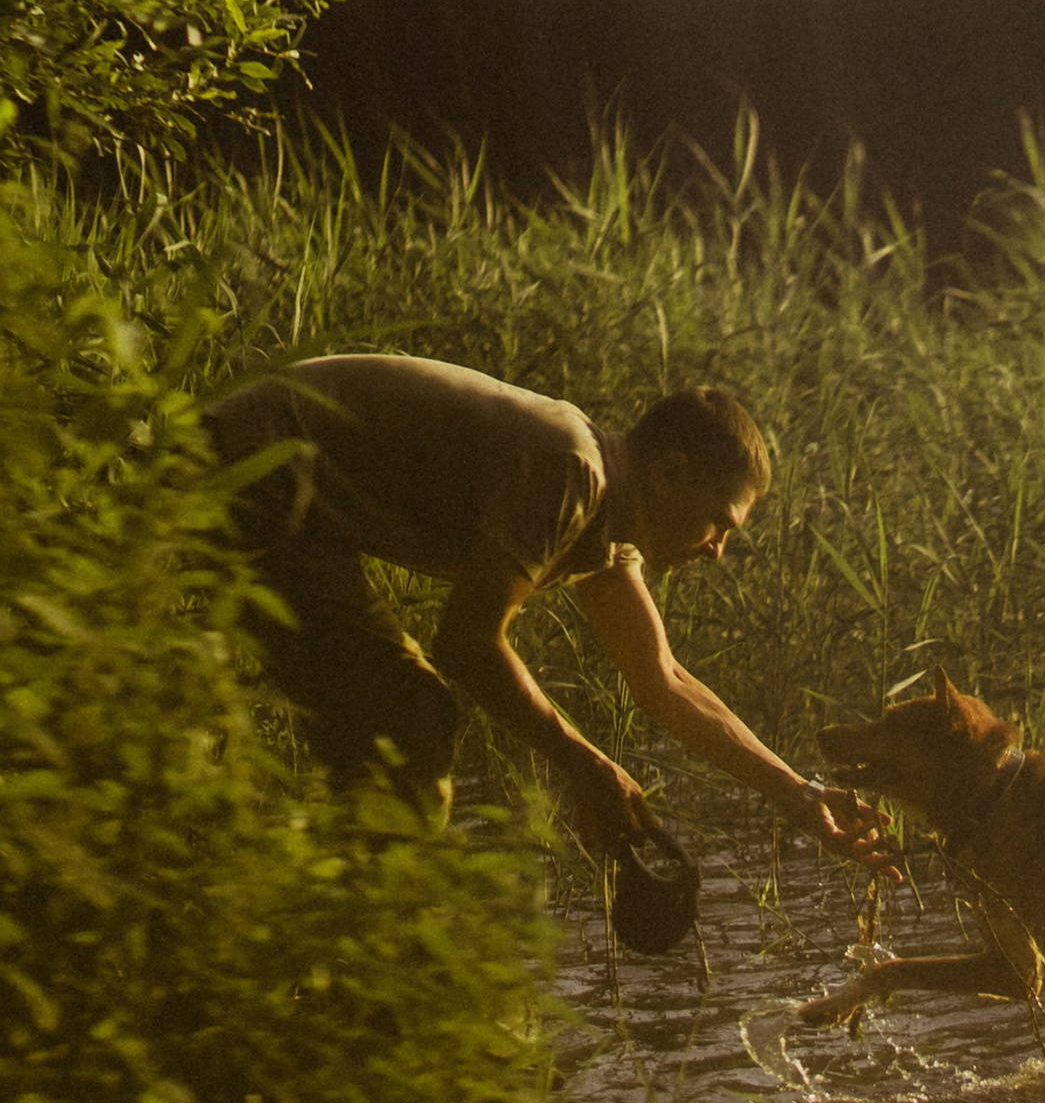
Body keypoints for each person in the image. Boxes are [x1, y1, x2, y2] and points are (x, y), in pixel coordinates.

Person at [205, 352, 867, 875]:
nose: (717, 550)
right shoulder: (573, 470)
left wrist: (798, 794)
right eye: (720, 523)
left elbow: (663, 680)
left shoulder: (608, 522)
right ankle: (343, 947)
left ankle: (313, 920)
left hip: (289, 501)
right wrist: (587, 766)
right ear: (670, 473)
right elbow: (468, 643)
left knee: (396, 725)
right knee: (411, 717)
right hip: (240, 470)